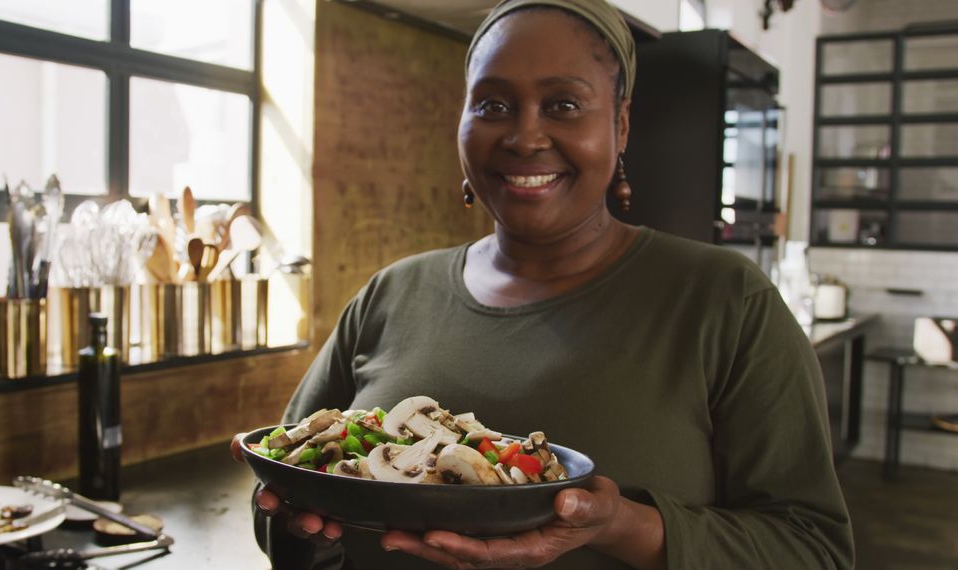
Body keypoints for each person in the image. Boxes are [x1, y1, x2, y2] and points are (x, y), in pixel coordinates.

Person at [234, 0, 854, 568]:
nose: (524, 137)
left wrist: (621, 526)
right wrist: (301, 529)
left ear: (622, 125)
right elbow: (282, 499)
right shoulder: (390, 295)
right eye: (492, 105)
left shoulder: (725, 302)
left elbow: (814, 550)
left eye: (563, 105)